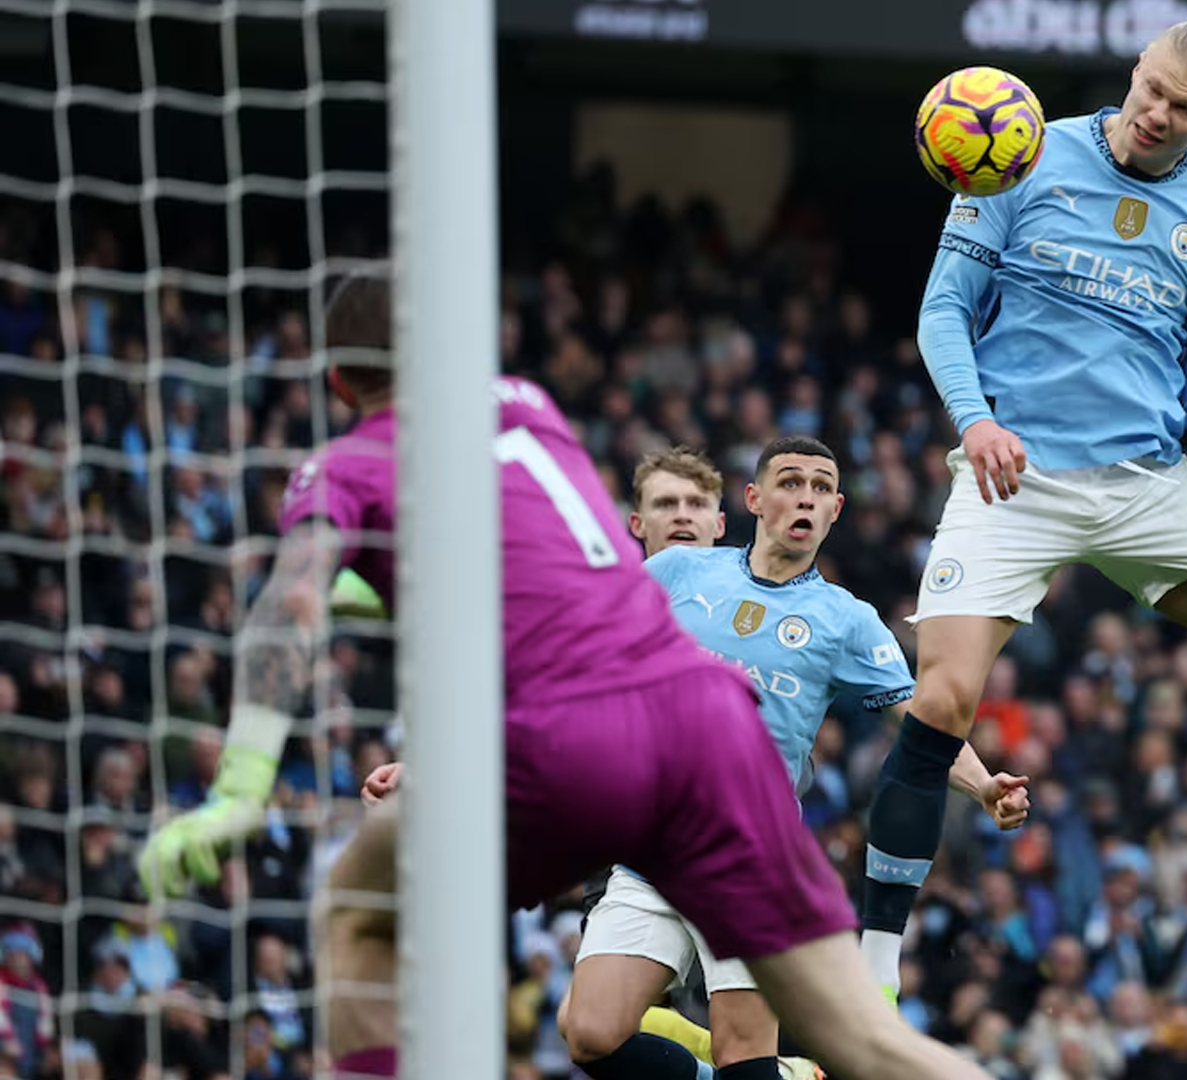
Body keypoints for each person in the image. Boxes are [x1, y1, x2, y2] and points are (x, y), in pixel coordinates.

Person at [134, 269, 1002, 1080]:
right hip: (709, 735)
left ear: (336, 384)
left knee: (358, 910)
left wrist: (240, 790)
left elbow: (291, 609)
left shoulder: (348, 466)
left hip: (579, 743)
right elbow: (544, 584)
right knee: (860, 1042)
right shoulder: (531, 410)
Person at [860, 15, 1187, 999]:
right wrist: (974, 422)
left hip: (1144, 491)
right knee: (942, 699)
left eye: (1182, 108)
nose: (1155, 114)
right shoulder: (1021, 155)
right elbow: (943, 311)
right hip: (1015, 482)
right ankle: (875, 968)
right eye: (1150, 90)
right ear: (1134, 74)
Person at [550, 442, 1030, 1080]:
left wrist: (983, 785)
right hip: (654, 852)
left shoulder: (846, 620)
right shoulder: (678, 574)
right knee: (589, 1035)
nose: (805, 496)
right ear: (754, 500)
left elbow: (922, 720)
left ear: (835, 511)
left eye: (820, 487)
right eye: (790, 482)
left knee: (743, 1061)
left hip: (750, 859)